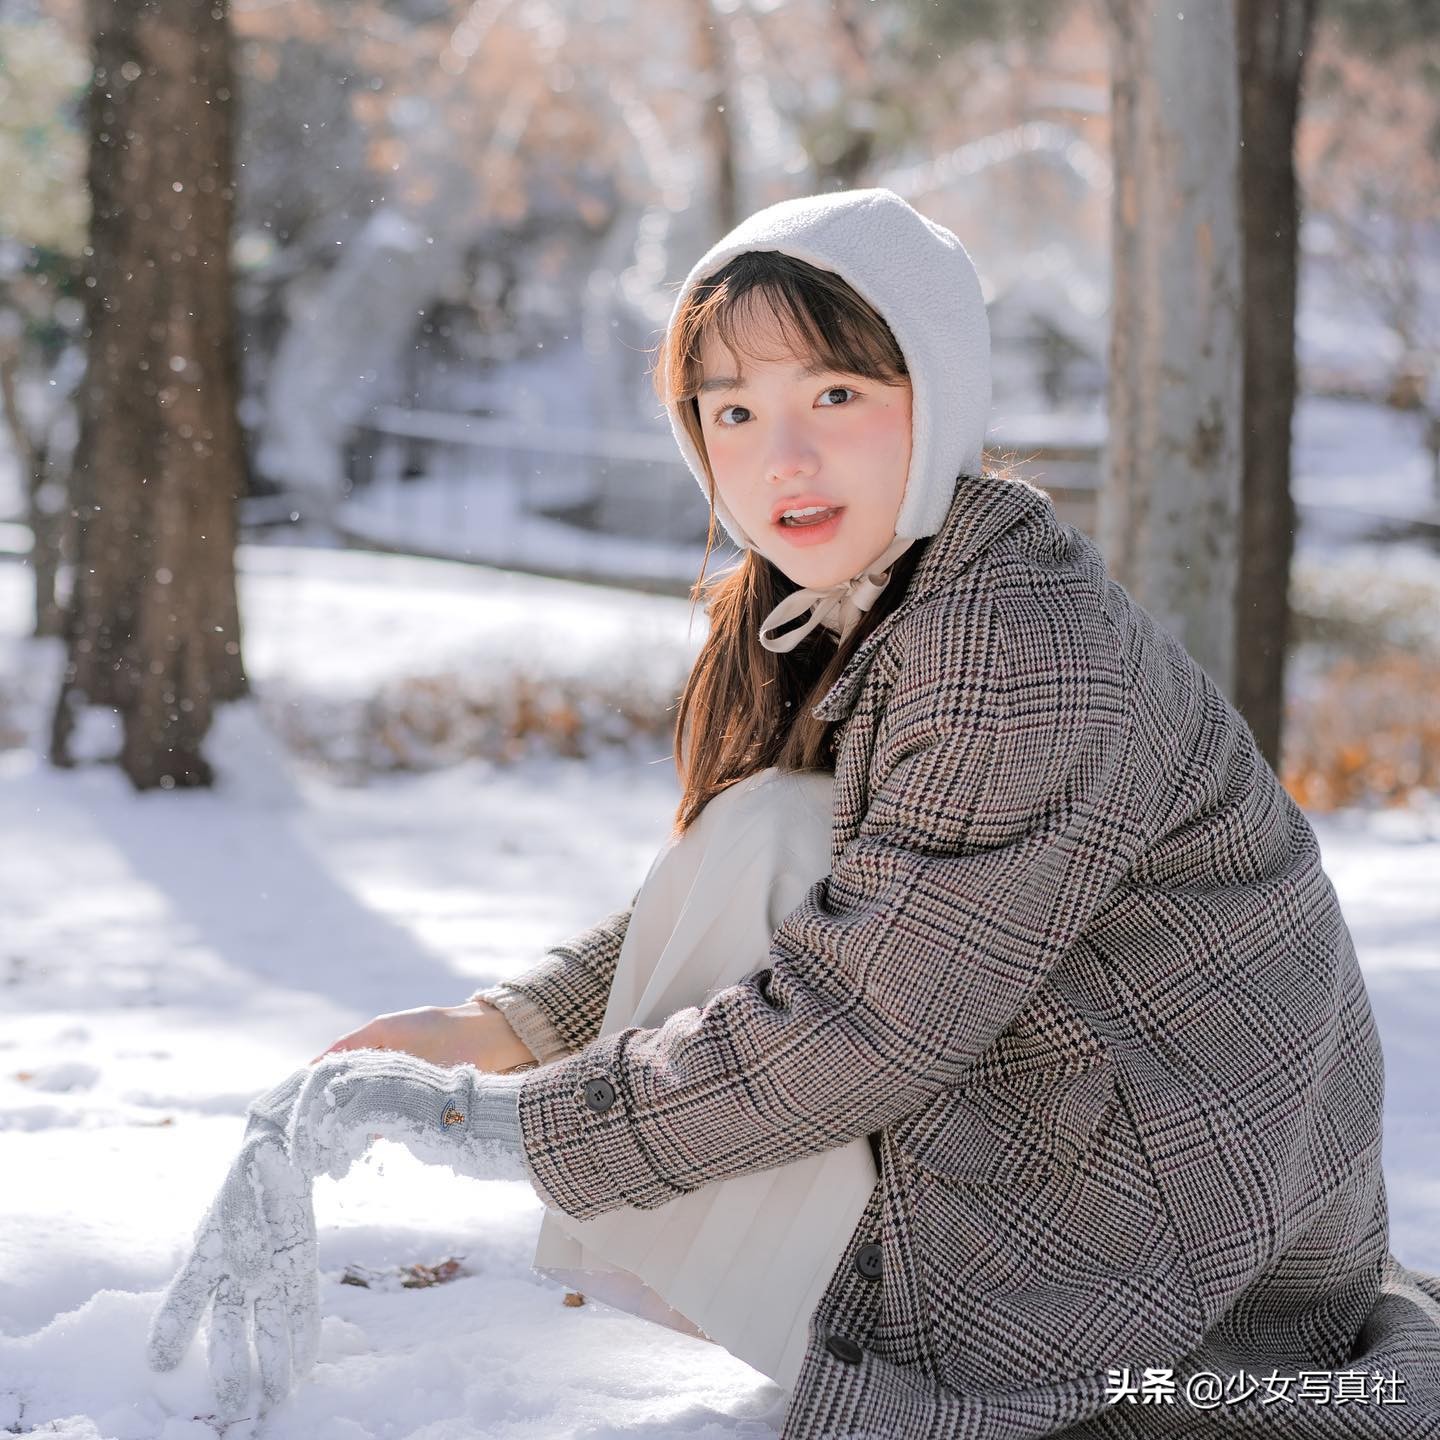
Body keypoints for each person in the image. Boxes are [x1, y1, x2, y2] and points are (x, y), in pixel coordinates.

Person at [147, 188, 1440, 1437]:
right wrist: (501, 1026)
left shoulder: (1011, 654)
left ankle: (778, 1295)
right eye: (735, 409)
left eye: (838, 394)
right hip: (1123, 1157)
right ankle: (722, 1269)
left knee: (771, 856)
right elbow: (847, 899)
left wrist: (489, 1127)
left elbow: (855, 1023)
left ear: (939, 399)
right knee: (772, 827)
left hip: (1188, 1279)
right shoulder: (908, 594)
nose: (787, 458)